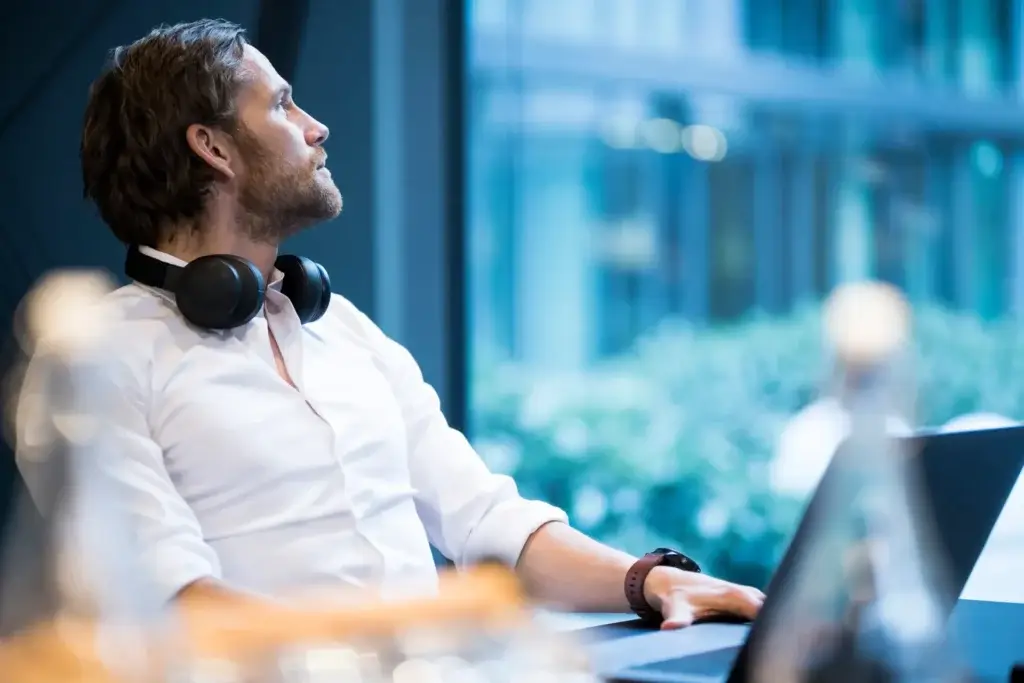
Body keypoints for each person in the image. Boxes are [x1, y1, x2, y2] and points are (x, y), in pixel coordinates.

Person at [16, 19, 763, 630]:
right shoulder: (94, 359)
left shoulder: (344, 330)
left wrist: (647, 581)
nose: (316, 127)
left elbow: (488, 521)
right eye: (282, 106)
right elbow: (166, 605)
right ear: (212, 147)